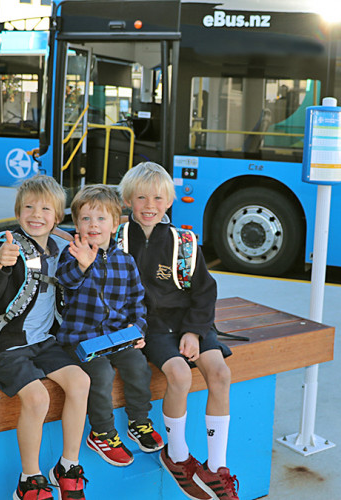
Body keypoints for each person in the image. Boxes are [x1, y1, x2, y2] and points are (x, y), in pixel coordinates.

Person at [117, 162, 240, 500]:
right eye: (141, 197)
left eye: (158, 198)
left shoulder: (183, 242)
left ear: (169, 201)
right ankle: (179, 455)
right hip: (150, 329)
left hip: (188, 323)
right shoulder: (116, 239)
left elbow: (204, 290)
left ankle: (217, 467)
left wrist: (196, 332)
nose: (149, 205)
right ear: (128, 200)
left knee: (220, 374)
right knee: (180, 376)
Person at [0, 175, 90, 500]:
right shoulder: (7, 247)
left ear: (58, 215)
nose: (36, 214)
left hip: (41, 341)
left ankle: (68, 465)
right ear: (18, 212)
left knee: (80, 382)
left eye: (45, 208)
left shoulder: (60, 248)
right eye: (28, 207)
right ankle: (29, 479)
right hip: (1, 344)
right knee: (38, 399)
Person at [55, 184, 164, 467]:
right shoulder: (72, 255)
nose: (93, 225)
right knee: (101, 374)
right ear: (76, 223)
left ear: (115, 224)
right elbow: (66, 281)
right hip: (80, 339)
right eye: (86, 219)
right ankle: (102, 432)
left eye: (101, 218)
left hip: (116, 337)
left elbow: (137, 301)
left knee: (138, 364)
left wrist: (138, 329)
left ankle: (139, 421)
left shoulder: (126, 262)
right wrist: (82, 265)